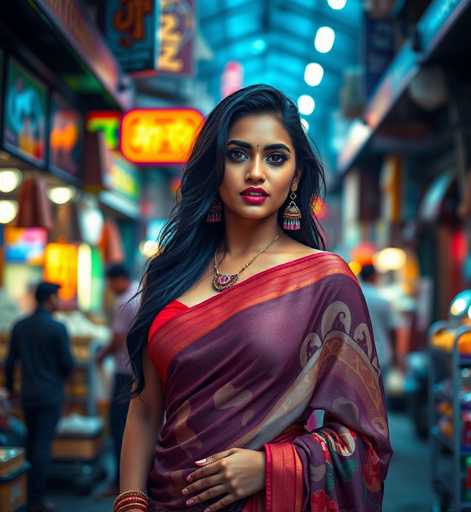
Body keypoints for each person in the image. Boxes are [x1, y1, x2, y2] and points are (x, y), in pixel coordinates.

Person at [116, 85, 392, 512]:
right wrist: (130, 502)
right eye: (238, 154)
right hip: (164, 500)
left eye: (276, 157)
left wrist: (271, 468)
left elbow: (364, 443)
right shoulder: (170, 271)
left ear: (296, 175)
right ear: (215, 166)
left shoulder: (325, 282)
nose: (256, 172)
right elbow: (146, 407)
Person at [5, 281, 74, 512]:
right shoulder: (57, 328)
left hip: (27, 394)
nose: (59, 302)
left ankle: (23, 495)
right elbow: (67, 365)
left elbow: (9, 362)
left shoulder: (20, 325)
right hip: (50, 395)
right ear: (49, 299)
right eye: (56, 297)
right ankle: (37, 500)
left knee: (31, 442)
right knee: (43, 446)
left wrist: (11, 390)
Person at [97, 263, 139, 495]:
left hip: (125, 373)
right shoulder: (139, 292)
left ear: (119, 279)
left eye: (111, 282)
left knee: (119, 428)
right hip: (138, 371)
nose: (110, 287)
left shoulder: (124, 300)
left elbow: (116, 340)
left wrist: (100, 357)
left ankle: (120, 484)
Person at [359, 263, 400, 380]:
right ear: (374, 277)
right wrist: (396, 355)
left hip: (360, 354)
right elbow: (393, 329)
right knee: (381, 394)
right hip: (382, 354)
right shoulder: (383, 301)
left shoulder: (355, 296)